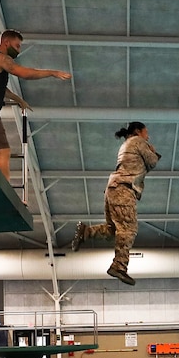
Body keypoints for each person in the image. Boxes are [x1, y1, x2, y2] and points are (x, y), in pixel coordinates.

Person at [0, 29, 72, 179]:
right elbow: (25, 73)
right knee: (3, 150)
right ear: (6, 42)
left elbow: (0, 87)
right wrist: (52, 72)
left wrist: (18, 99)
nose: (18, 50)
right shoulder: (2, 58)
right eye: (17, 46)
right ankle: (2, 190)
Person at [70, 122, 160, 286]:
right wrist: (153, 151)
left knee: (114, 229)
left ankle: (86, 232)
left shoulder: (127, 144)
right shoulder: (138, 141)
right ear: (138, 131)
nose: (148, 136)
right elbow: (152, 161)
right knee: (129, 229)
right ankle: (119, 266)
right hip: (123, 190)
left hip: (114, 189)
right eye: (146, 132)